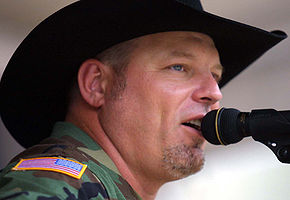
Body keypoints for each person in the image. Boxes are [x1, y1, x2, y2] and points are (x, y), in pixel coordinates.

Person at [0, 0, 287, 199]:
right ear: (96, 85)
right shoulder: (52, 188)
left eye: (215, 75)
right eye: (179, 67)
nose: (214, 92)